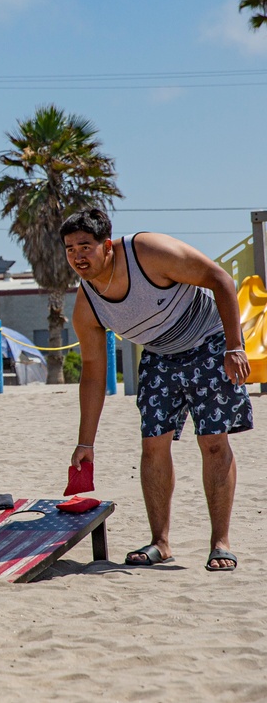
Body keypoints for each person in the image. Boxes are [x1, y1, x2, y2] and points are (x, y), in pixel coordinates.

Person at [61, 208, 253, 571]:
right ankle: (160, 543)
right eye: (70, 249)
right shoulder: (87, 303)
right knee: (153, 445)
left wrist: (234, 346)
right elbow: (92, 372)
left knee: (212, 440)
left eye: (85, 246)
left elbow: (221, 279)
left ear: (107, 245)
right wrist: (86, 443)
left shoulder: (147, 252)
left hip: (210, 343)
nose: (77, 256)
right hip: (160, 355)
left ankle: (220, 542)